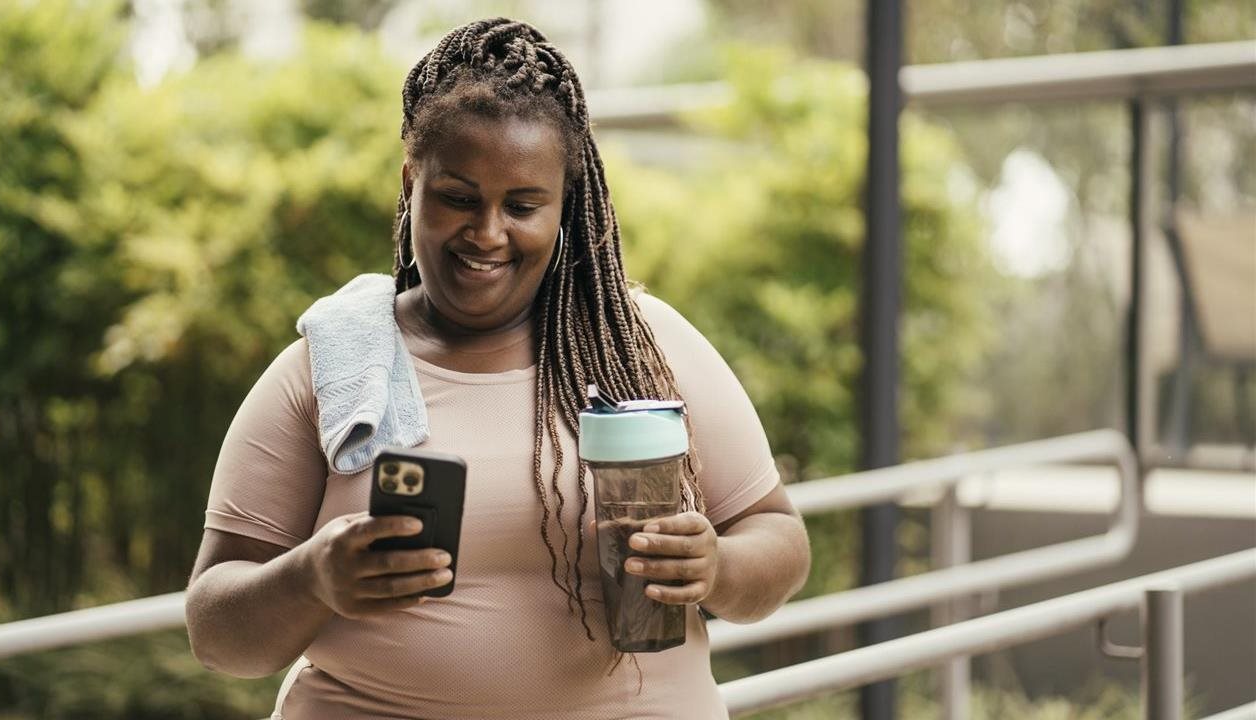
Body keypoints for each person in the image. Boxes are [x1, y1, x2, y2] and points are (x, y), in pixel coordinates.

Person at [186, 18, 810, 719]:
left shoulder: (641, 346)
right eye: (458, 197)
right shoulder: (330, 367)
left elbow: (779, 539)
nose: (486, 233)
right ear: (412, 182)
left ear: (564, 205)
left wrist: (718, 569)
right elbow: (215, 631)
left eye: (521, 205)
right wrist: (311, 578)